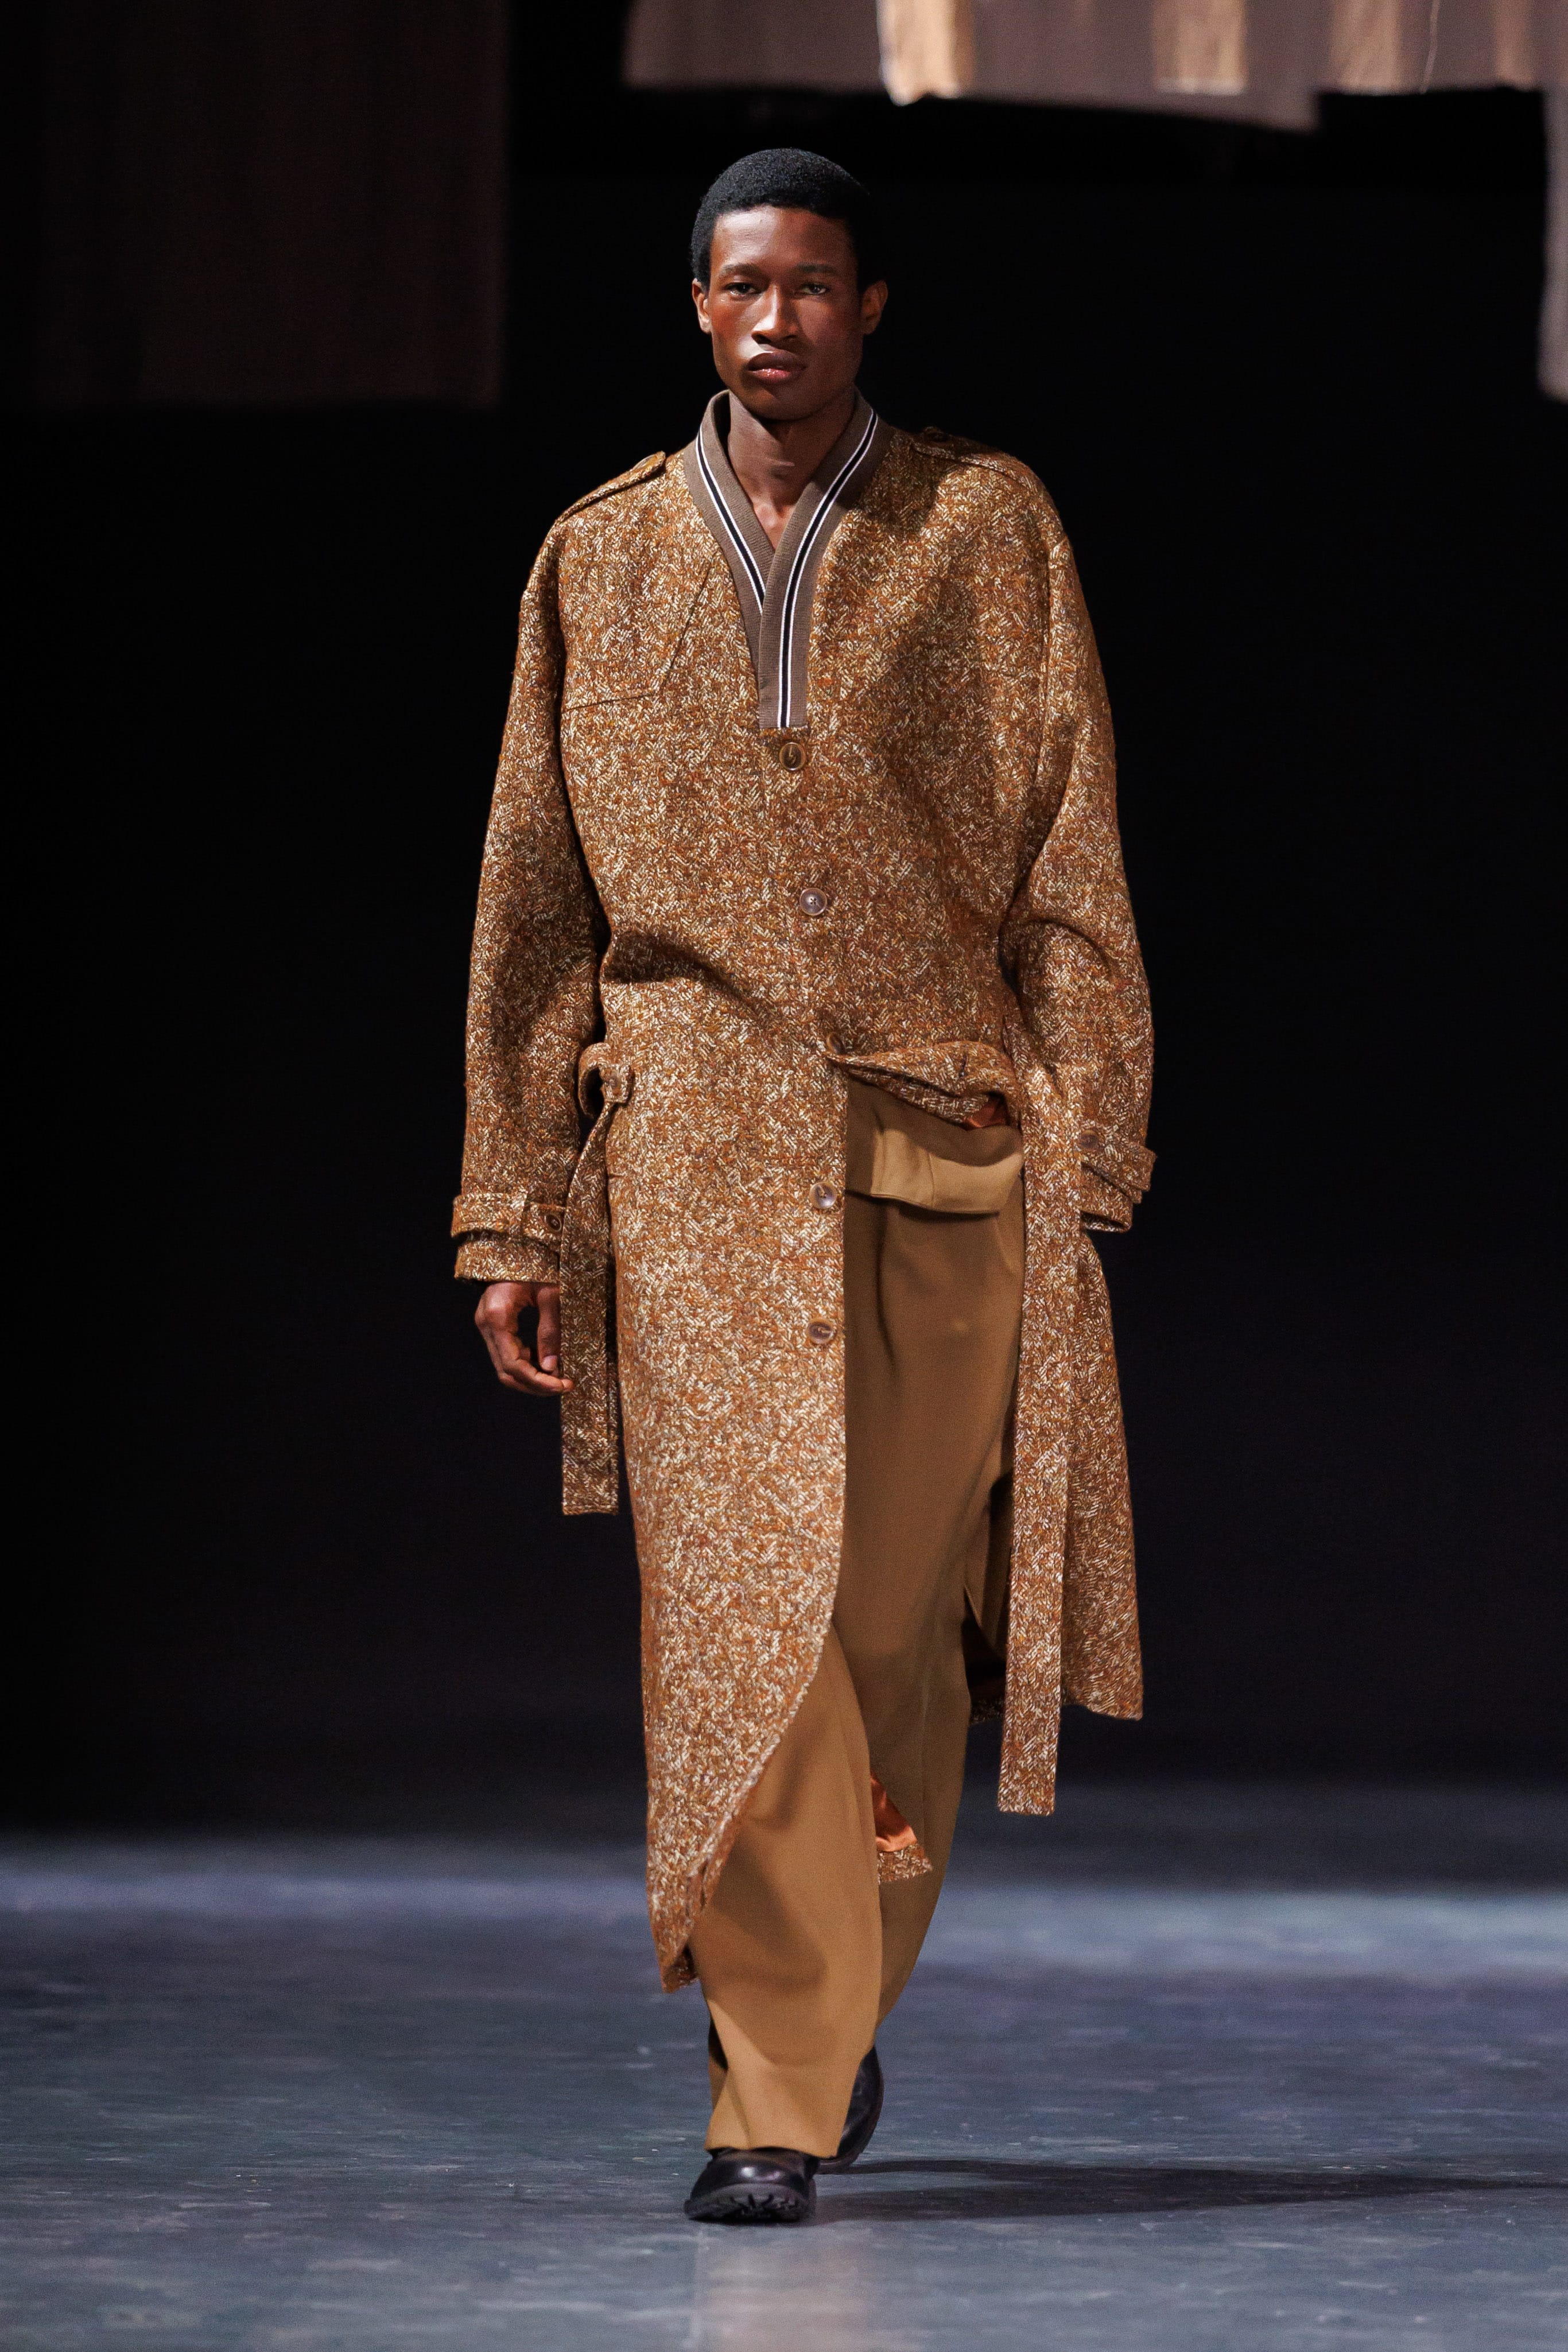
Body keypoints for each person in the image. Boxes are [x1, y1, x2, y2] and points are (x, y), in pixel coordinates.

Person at [455, 149, 1152, 2224]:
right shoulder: (597, 556)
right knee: (738, 1612)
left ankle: (821, 2007)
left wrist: (1089, 1127)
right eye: (743, 283)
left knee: (889, 1634)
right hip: (688, 1152)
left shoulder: (980, 526)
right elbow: (530, 904)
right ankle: (769, 2086)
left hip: (941, 1140)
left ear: (869, 305)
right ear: (696, 303)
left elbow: (1069, 843)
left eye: (815, 283)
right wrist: (510, 1206)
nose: (778, 317)